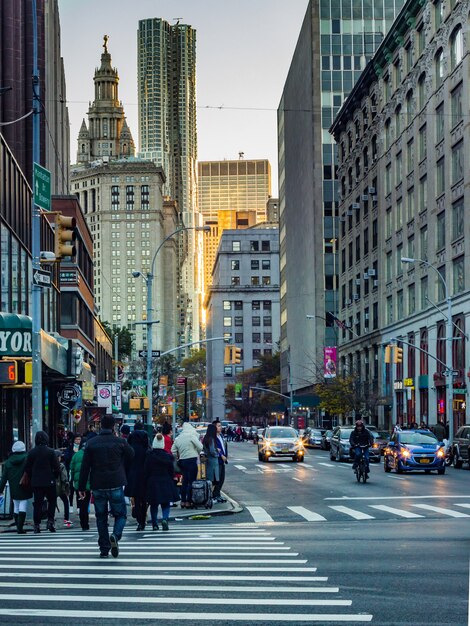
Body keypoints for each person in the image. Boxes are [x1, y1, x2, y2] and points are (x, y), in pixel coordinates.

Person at [78, 415, 134, 558]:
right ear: (113, 426)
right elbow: (131, 455)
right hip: (116, 482)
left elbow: (85, 467)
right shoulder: (120, 442)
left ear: (100, 426)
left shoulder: (91, 443)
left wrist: (81, 487)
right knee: (120, 514)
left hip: (98, 484)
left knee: (101, 517)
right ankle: (115, 535)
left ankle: (104, 548)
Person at [23, 431, 60, 533]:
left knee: (38, 503)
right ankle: (50, 521)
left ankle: (37, 524)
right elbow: (57, 468)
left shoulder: (31, 452)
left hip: (36, 482)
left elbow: (27, 468)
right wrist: (55, 476)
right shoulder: (51, 452)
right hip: (49, 481)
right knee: (52, 501)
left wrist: (32, 477)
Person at [144, 433, 179, 530]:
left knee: (153, 504)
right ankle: (165, 519)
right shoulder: (167, 457)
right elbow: (171, 470)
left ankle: (154, 523)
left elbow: (146, 470)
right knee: (166, 503)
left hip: (153, 481)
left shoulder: (149, 456)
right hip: (165, 480)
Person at [0, 441, 32, 534]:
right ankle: (20, 528)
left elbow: (4, 477)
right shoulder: (27, 458)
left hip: (13, 487)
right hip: (25, 485)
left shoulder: (8, 462)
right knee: (23, 504)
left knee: (16, 505)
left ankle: (18, 526)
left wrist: (0, 489)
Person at [171, 421, 203, 508]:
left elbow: (172, 450)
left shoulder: (178, 438)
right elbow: (200, 446)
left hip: (182, 461)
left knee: (184, 481)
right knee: (191, 482)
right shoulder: (191, 436)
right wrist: (196, 451)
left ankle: (183, 501)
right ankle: (189, 501)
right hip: (192, 460)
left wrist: (178, 456)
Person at [125, 421, 150, 531]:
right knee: (143, 499)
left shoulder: (130, 448)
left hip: (132, 476)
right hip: (144, 476)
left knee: (134, 497)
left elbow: (125, 463)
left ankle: (138, 517)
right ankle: (142, 520)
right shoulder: (147, 449)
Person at [69, 437, 91, 530]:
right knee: (87, 503)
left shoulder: (76, 455)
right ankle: (86, 523)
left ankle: (83, 524)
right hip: (89, 483)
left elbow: (72, 469)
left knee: (82, 504)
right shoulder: (90, 455)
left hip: (78, 484)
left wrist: (73, 480)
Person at [55, 450, 72, 527]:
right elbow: (64, 477)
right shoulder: (61, 466)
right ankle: (66, 519)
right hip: (61, 487)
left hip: (52, 487)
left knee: (51, 503)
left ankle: (51, 518)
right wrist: (66, 486)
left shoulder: (49, 465)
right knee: (65, 502)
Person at [212, 420, 228, 503]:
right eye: (218, 426)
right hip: (217, 460)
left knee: (222, 478)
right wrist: (221, 455)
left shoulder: (221, 436)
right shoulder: (213, 437)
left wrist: (225, 455)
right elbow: (215, 448)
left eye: (220, 426)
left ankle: (218, 494)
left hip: (223, 461)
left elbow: (223, 446)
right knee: (217, 479)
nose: (220, 427)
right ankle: (215, 494)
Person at [202, 424, 220, 495]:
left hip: (208, 460)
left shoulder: (205, 438)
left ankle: (208, 496)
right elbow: (212, 451)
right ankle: (210, 496)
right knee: (213, 480)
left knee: (209, 479)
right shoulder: (211, 439)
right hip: (213, 461)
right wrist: (217, 453)